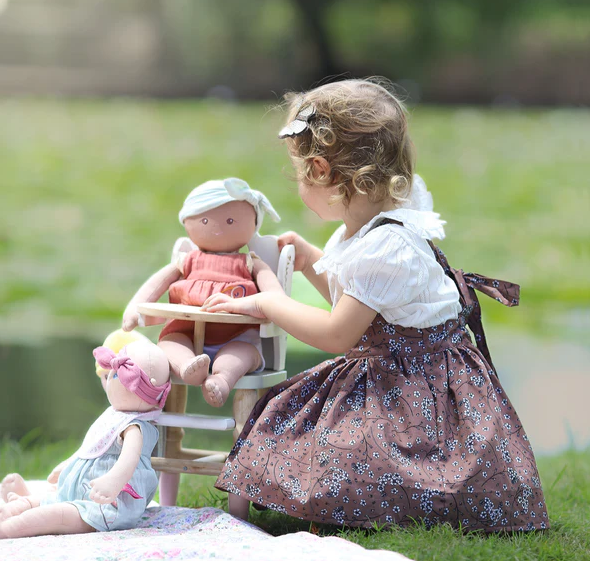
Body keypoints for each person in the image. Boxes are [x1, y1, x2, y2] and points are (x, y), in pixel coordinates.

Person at [201, 78, 549, 532]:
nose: (299, 188)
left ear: (322, 170)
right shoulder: (367, 229)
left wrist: (270, 303)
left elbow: (338, 333)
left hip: (419, 386)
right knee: (294, 414)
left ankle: (401, 501)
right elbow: (362, 309)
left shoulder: (386, 246)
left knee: (345, 447)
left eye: (299, 175)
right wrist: (310, 262)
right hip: (399, 366)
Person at [122, 178, 284, 407]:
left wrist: (276, 307)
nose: (218, 229)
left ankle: (221, 380)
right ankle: (188, 366)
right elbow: (156, 283)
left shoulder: (249, 263)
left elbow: (274, 296)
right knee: (170, 343)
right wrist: (135, 309)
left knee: (241, 354)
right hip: (186, 332)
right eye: (205, 220)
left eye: (230, 221)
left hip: (237, 334)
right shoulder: (187, 261)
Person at [0, 340, 171, 539]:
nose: (110, 379)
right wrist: (68, 465)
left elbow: (130, 459)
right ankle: (13, 509)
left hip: (106, 505)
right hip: (81, 492)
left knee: (57, 515)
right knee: (51, 500)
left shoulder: (136, 427)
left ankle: (8, 528)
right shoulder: (113, 415)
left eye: (114, 375)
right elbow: (92, 447)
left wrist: (114, 482)